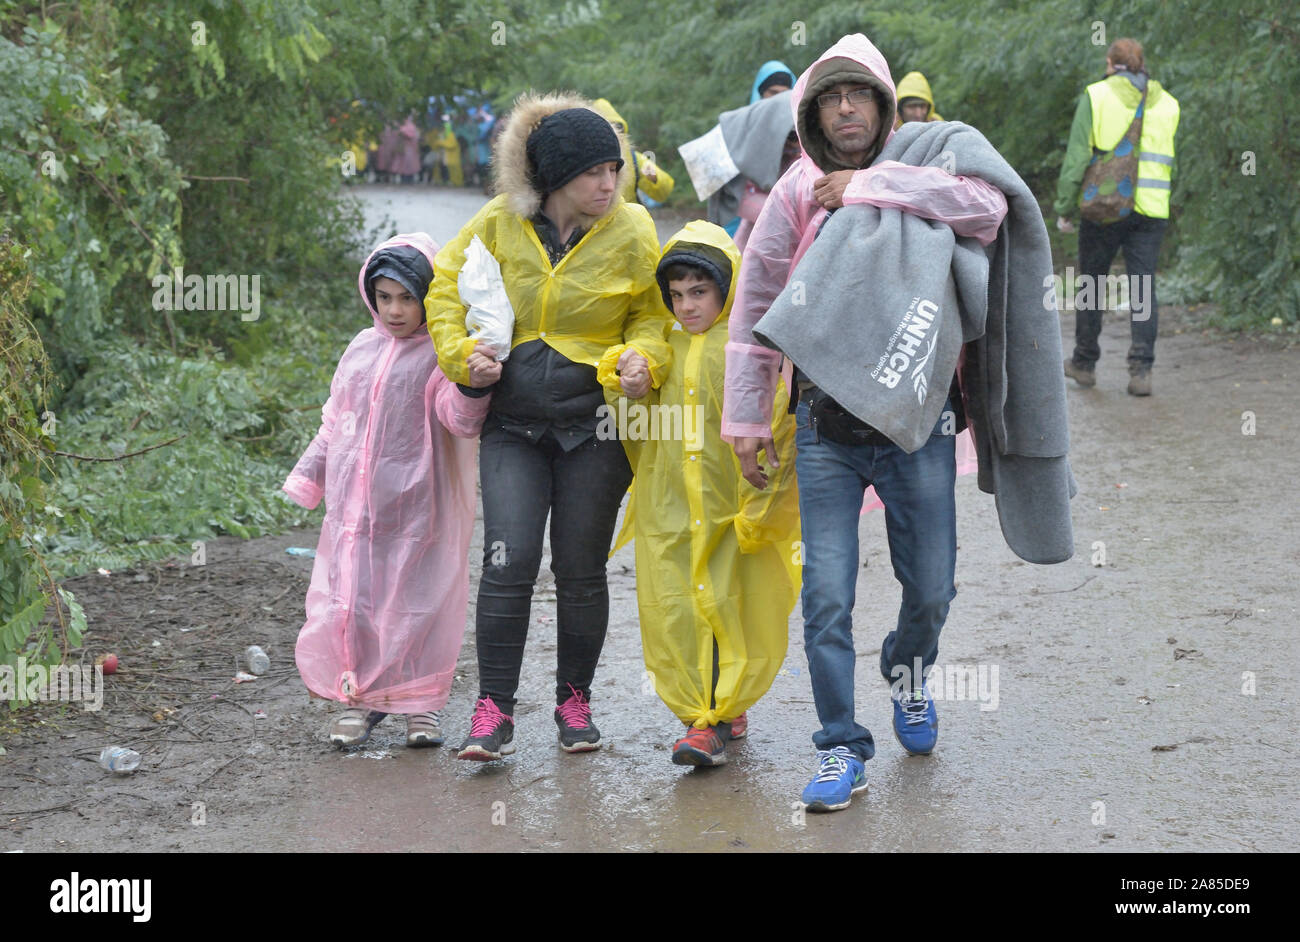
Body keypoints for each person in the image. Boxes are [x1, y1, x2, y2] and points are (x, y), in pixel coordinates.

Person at [722, 33, 1017, 813]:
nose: (846, 107)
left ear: (884, 107)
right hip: (824, 428)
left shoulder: (927, 164)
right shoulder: (793, 191)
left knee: (932, 588)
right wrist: (747, 416)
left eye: (859, 95)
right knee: (826, 597)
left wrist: (868, 187)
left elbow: (986, 210)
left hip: (917, 421)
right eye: (830, 97)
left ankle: (909, 674)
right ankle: (839, 747)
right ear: (811, 113)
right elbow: (753, 306)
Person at [426, 93, 673, 761]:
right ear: (557, 176)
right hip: (513, 426)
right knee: (508, 563)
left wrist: (643, 360)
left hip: (595, 426)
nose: (609, 184)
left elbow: (653, 317)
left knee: (581, 568)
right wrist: (460, 357)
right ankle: (494, 709)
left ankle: (574, 702)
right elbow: (445, 289)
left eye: (615, 170)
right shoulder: (500, 223)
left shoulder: (633, 231)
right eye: (595, 172)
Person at [283, 234, 489, 748]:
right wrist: (309, 477)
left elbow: (459, 421)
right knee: (357, 602)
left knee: (419, 604)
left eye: (408, 298)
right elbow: (335, 421)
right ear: (371, 298)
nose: (395, 311)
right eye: (385, 298)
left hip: (421, 510)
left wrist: (474, 386)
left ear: (429, 298)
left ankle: (420, 709)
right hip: (357, 514)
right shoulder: (360, 349)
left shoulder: (442, 355)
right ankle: (357, 698)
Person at [606, 220, 800, 767]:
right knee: (679, 607)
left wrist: (762, 506)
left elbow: (777, 423)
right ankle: (702, 716)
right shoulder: (662, 345)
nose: (687, 306)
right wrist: (626, 378)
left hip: (730, 502)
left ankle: (723, 707)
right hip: (670, 506)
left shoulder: (748, 347)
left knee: (732, 603)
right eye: (676, 295)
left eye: (700, 292)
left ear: (728, 288)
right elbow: (637, 420)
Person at [1055, 38, 1180, 396]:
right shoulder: (1169, 104)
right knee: (1143, 286)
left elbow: (1078, 157)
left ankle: (1084, 362)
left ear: (1111, 63)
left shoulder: (1096, 96)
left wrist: (1065, 207)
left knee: (1092, 282)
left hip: (1105, 207)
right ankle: (1141, 370)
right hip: (1152, 209)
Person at [592, 98, 674, 207]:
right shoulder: (584, 156)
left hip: (627, 221)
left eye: (616, 128)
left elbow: (665, 190)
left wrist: (654, 178)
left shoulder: (634, 158)